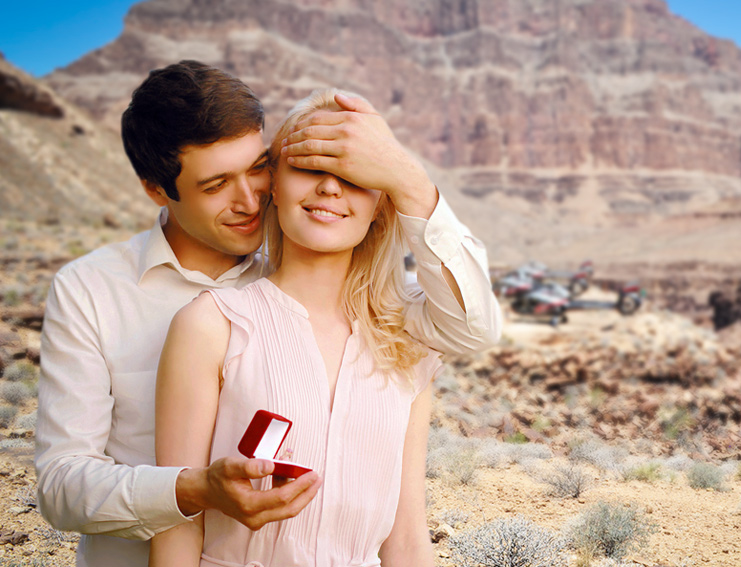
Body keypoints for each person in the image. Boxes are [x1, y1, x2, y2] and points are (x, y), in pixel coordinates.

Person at [35, 62, 500, 567]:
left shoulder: (386, 324)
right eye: (215, 185)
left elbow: (407, 533)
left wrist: (406, 176)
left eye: (258, 168)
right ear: (156, 189)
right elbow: (62, 486)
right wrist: (194, 490)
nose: (250, 198)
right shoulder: (104, 294)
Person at [152, 88, 444, 567]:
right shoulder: (211, 325)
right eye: (309, 166)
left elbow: (407, 539)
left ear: (380, 208)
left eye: (354, 175)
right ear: (275, 185)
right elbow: (176, 528)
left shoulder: (406, 346)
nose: (330, 188)